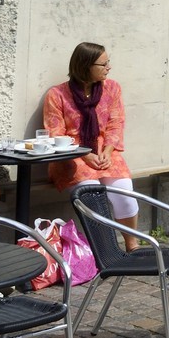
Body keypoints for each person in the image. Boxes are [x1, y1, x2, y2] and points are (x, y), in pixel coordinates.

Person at [44, 42, 139, 247]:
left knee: (124, 193)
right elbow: (55, 134)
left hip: (105, 153)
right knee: (92, 196)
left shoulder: (111, 88)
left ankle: (132, 244)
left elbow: (116, 123)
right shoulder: (57, 95)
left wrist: (107, 150)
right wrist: (85, 154)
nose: (109, 67)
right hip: (71, 157)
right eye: (103, 64)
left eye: (108, 62)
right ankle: (105, 250)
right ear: (85, 65)